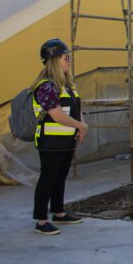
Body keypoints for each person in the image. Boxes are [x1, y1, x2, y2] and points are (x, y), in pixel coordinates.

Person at [32, 39, 89, 235]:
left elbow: (75, 108)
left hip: (66, 141)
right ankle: (41, 220)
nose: (69, 61)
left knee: (60, 178)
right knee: (47, 179)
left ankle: (58, 212)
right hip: (50, 142)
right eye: (66, 58)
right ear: (55, 60)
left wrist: (80, 127)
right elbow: (56, 115)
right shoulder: (47, 86)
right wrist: (80, 126)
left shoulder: (67, 85)